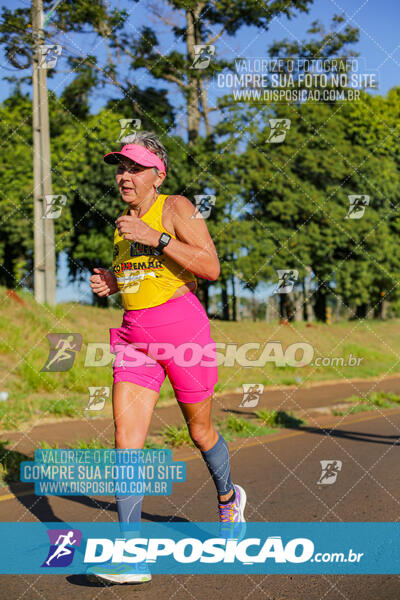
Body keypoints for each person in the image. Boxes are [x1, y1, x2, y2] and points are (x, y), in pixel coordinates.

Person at [88, 131, 246, 585]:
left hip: (182, 332)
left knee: (199, 430)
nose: (125, 176)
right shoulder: (121, 224)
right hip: (135, 337)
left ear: (158, 174)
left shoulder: (176, 207)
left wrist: (155, 236)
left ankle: (227, 497)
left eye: (134, 167)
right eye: (120, 167)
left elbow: (210, 267)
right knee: (126, 437)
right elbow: (143, 279)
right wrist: (113, 282)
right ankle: (132, 555)